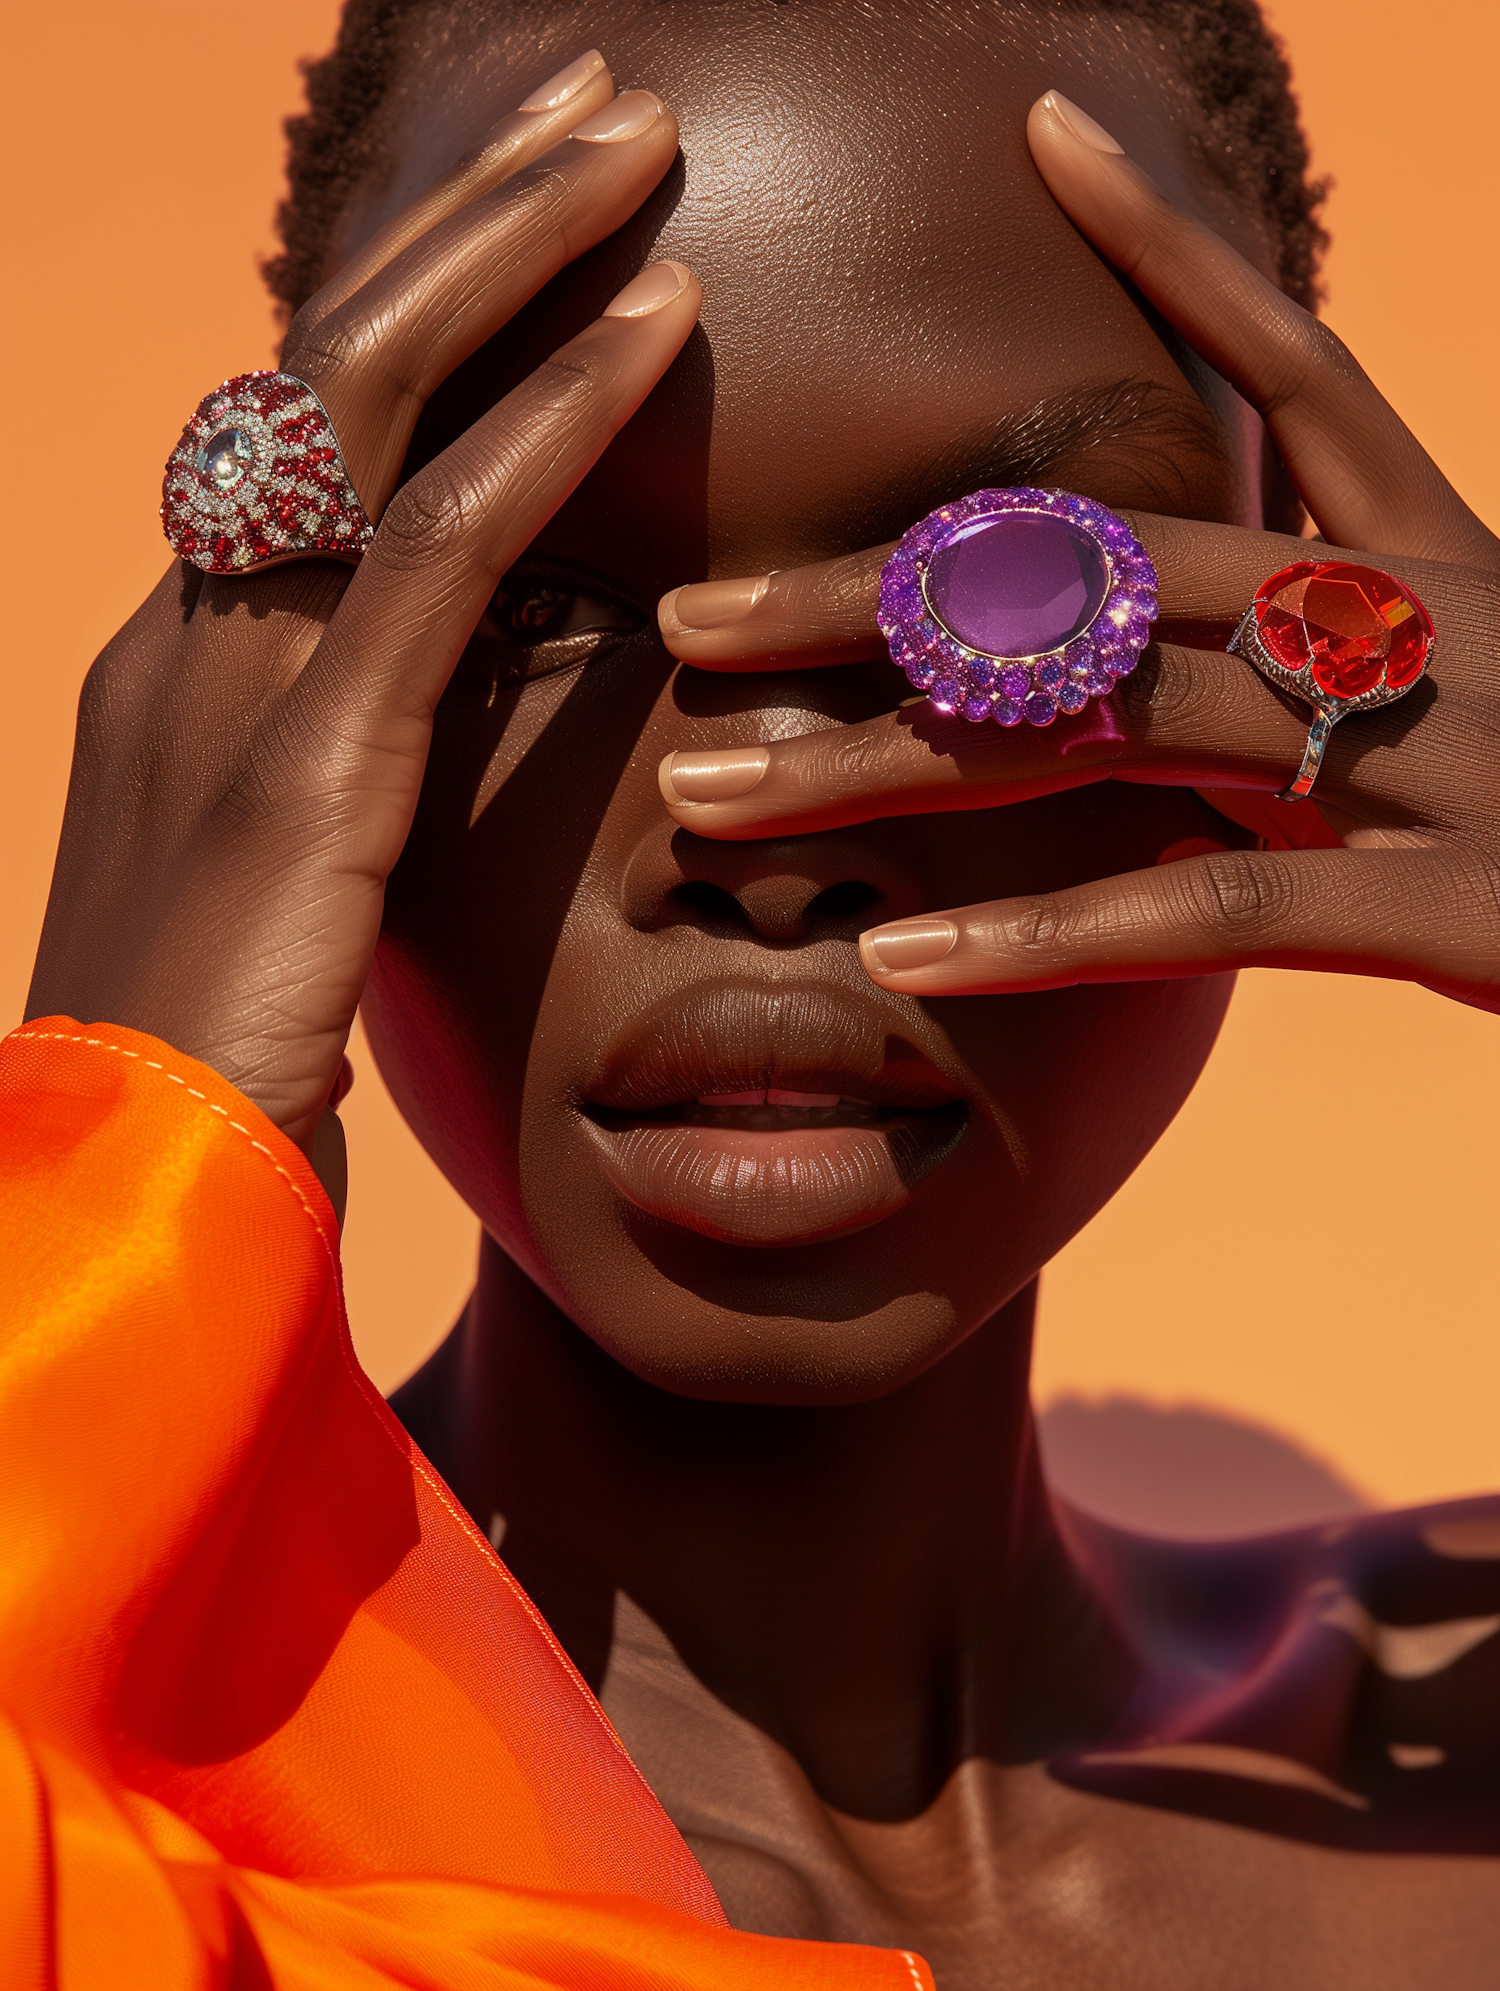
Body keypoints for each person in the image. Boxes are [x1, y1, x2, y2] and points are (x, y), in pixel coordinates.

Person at [5, 2, 1498, 1984]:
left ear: (1305, 632)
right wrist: (107, 1169)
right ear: (244, 695)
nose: (759, 825)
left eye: (1023, 591)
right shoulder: (120, 1827)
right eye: (521, 591)